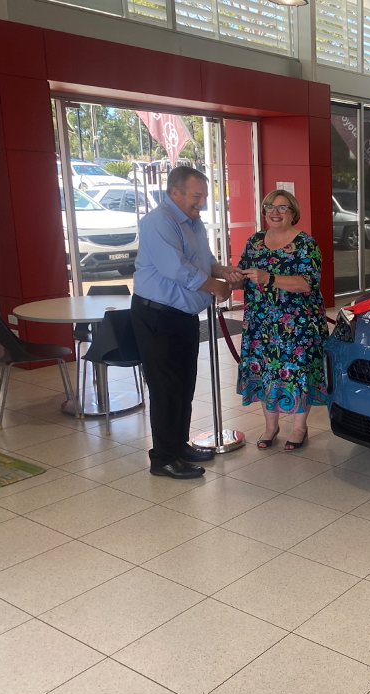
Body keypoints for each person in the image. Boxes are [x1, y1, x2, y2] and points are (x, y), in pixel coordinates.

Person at [132, 166, 242, 479]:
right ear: (175, 193)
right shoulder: (159, 222)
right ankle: (163, 458)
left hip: (182, 316)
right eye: (197, 196)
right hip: (157, 315)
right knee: (166, 388)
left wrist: (223, 272)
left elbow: (203, 261)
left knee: (184, 385)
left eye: (205, 196)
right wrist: (215, 287)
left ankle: (179, 446)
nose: (203, 202)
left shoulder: (194, 223)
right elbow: (176, 269)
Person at [235, 190, 329, 450]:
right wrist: (230, 277)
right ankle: (270, 426)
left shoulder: (305, 243)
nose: (275, 212)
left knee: (298, 372)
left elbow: (308, 283)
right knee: (266, 370)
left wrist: (270, 278)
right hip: (261, 322)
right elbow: (244, 272)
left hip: (297, 323)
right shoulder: (254, 241)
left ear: (293, 213)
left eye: (282, 208)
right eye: (269, 207)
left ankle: (299, 428)